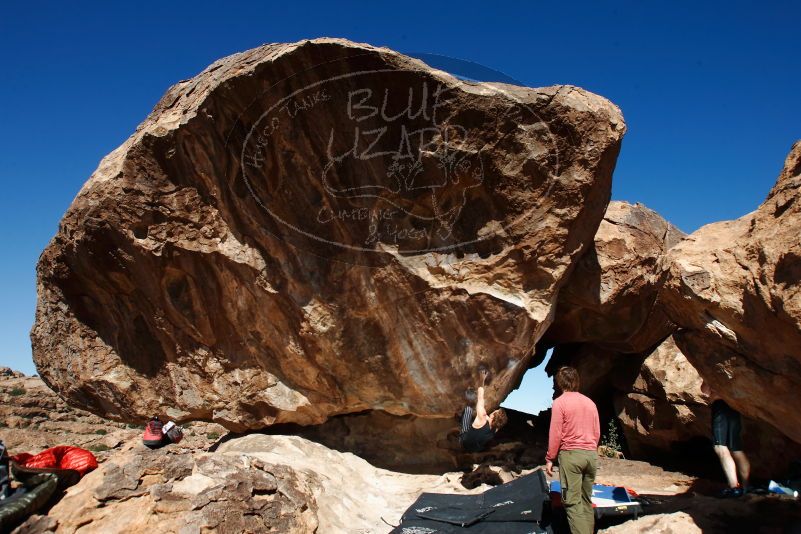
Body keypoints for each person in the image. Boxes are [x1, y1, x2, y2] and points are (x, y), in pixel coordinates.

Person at [545, 366, 600, 534]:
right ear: (576, 380)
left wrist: (550, 458)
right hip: (591, 455)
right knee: (585, 500)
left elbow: (556, 433)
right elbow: (596, 431)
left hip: (571, 455)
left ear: (559, 383)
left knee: (572, 503)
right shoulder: (590, 402)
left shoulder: (560, 402)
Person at [701, 380, 750, 497]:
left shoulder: (711, 370)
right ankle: (747, 487)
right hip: (734, 406)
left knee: (720, 448)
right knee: (736, 449)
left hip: (720, 406)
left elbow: (705, 390)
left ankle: (734, 487)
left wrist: (705, 379)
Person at [459, 368, 508, 452]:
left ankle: (460, 425)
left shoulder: (483, 417)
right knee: (476, 428)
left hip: (464, 442)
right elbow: (497, 422)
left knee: (468, 409)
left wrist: (482, 379)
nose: (494, 410)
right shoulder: (495, 429)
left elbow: (480, 398)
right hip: (474, 449)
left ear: (493, 416)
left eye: (496, 411)